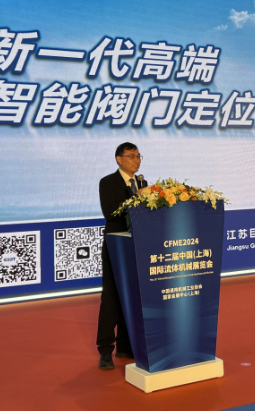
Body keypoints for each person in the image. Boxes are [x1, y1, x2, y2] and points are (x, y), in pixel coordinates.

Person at [96, 142, 147, 370]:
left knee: (134, 296)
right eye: (132, 156)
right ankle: (105, 350)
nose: (136, 161)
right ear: (119, 159)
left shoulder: (142, 183)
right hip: (116, 246)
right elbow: (110, 212)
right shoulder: (108, 182)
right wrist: (136, 198)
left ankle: (126, 346)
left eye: (139, 156)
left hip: (138, 245)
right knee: (111, 298)